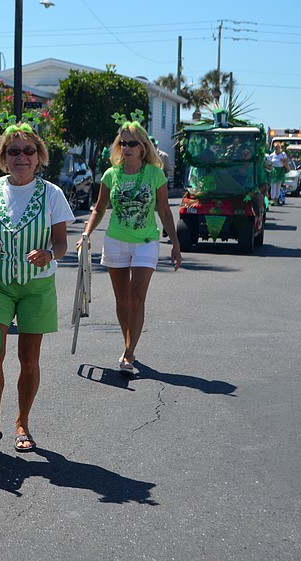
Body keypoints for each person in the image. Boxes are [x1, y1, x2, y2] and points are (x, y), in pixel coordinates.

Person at [0, 122, 74, 454]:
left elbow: (61, 244)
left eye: (28, 151)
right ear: (3, 158)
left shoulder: (52, 194)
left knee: (29, 358)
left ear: (39, 156)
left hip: (36, 286)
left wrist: (50, 254)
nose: (21, 157)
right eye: (14, 151)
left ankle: (22, 422)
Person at [79, 117, 181, 376]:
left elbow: (165, 212)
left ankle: (129, 352)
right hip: (116, 241)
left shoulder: (154, 174)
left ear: (143, 147)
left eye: (132, 143)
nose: (126, 147)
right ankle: (128, 342)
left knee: (137, 298)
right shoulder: (111, 175)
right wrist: (86, 233)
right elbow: (99, 209)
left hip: (146, 242)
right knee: (122, 300)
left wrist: (176, 245)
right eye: (123, 143)